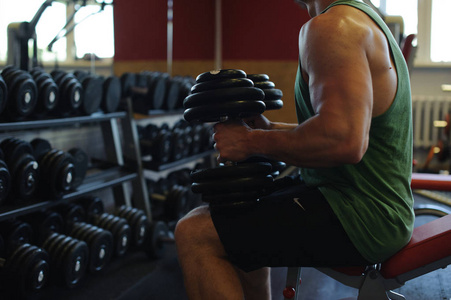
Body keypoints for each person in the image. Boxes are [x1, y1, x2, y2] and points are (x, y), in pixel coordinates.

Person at [175, 0, 415, 299]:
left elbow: (343, 141)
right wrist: (264, 131)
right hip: (374, 207)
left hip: (361, 216)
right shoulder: (362, 17)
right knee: (240, 206)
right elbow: (344, 129)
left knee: (195, 233)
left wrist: (248, 142)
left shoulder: (331, 28)